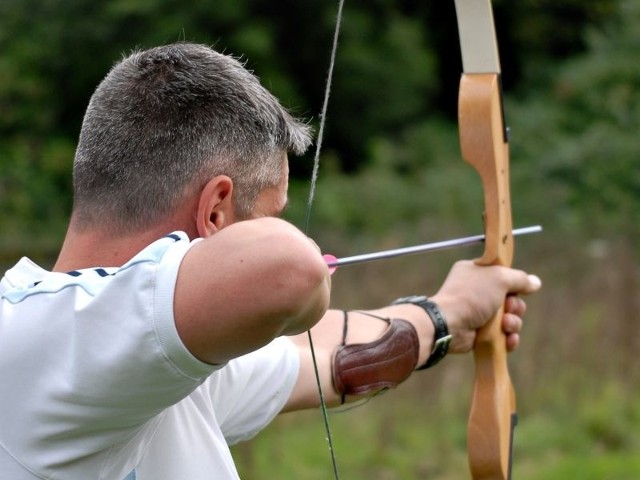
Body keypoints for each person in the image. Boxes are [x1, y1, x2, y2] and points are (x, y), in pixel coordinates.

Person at [0, 42, 541, 480]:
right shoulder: (37, 338)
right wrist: (299, 271)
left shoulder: (158, 364)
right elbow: (288, 271)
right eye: (271, 215)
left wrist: (449, 313)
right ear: (214, 212)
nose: (286, 231)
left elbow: (330, 363)